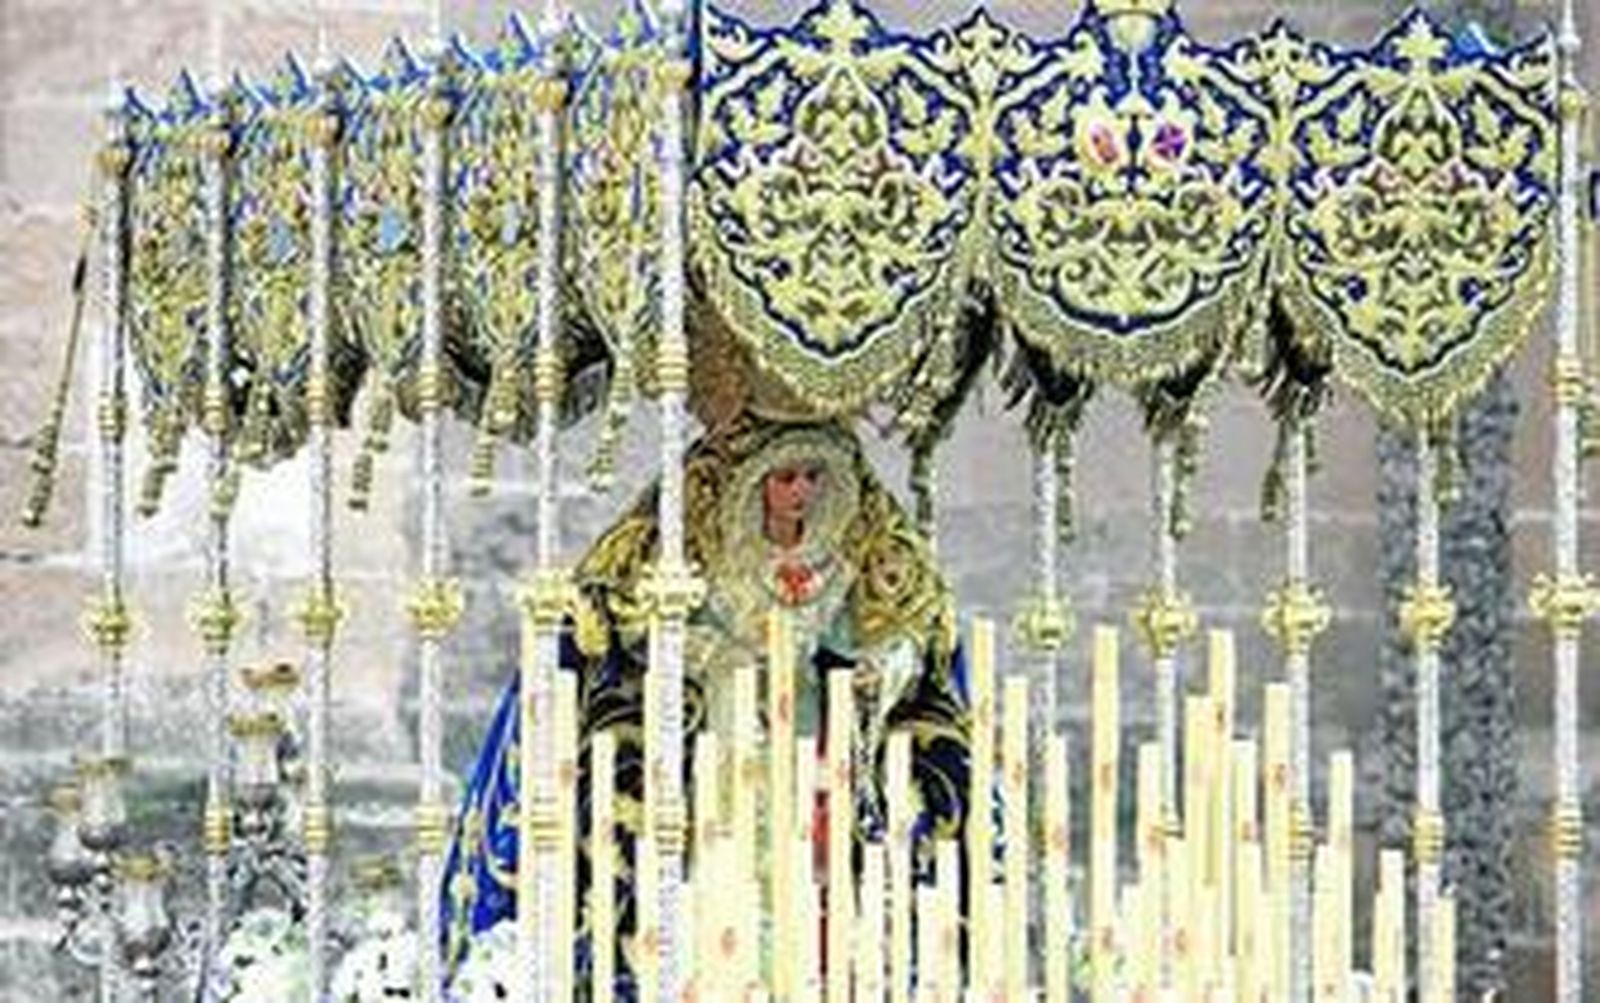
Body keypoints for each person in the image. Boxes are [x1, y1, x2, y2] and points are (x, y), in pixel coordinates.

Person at [439, 414, 971, 995]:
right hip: (722, 736)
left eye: (812, 477)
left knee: (811, 871)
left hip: (810, 742)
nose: (800, 493)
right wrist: (710, 654)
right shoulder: (709, 557)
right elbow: (639, 627)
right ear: (754, 483)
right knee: (722, 861)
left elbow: (881, 637)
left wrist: (881, 668)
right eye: (786, 478)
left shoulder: (839, 566)